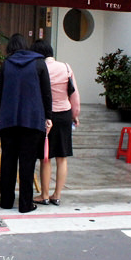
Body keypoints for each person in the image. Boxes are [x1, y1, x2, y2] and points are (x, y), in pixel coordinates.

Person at [0, 34, 53, 213]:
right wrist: (48, 117)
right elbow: (46, 93)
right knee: (27, 163)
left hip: (8, 121)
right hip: (32, 120)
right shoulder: (39, 63)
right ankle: (26, 204)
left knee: (8, 161)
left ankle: (6, 201)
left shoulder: (7, 64)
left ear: (10, 47)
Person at [30, 39, 80, 206]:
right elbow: (74, 94)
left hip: (46, 116)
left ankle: (43, 195)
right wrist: (75, 114)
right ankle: (57, 195)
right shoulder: (66, 67)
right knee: (62, 157)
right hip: (65, 114)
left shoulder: (38, 68)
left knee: (46, 157)